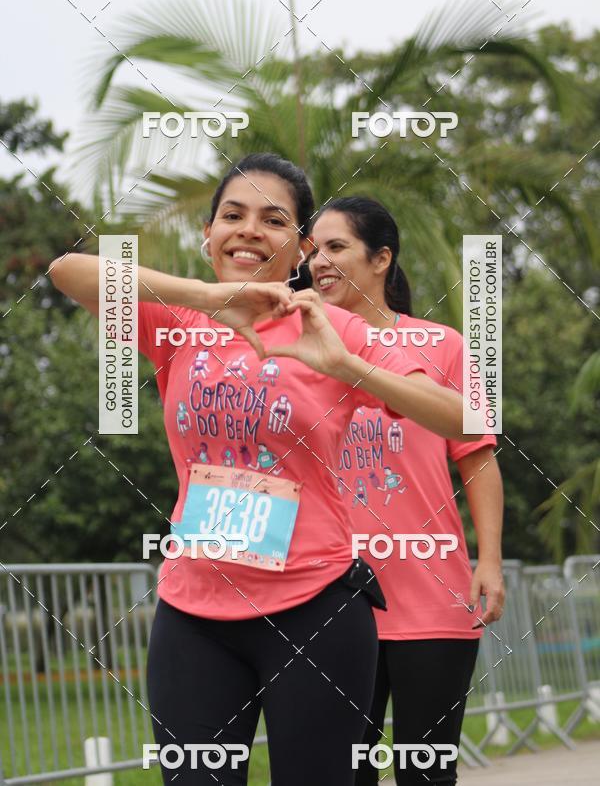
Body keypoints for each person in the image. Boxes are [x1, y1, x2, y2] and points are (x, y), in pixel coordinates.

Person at [50, 155, 476, 786]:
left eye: (274, 220)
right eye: (233, 215)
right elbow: (68, 272)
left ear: (301, 247)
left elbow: (463, 417)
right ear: (209, 232)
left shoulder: (333, 327)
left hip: (316, 610)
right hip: (194, 612)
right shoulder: (177, 321)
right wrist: (211, 298)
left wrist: (347, 367)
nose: (249, 229)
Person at [309, 196, 505, 786]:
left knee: (426, 773)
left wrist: (490, 561)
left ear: (381, 258)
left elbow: (478, 459)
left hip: (432, 596)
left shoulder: (443, 345)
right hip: (330, 598)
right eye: (313, 250)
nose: (319, 261)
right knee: (343, 773)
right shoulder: (297, 346)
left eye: (336, 247)